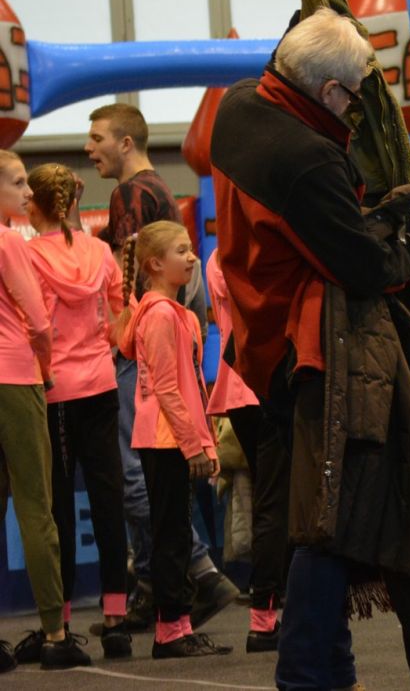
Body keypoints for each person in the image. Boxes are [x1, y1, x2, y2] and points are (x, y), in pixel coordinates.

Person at [210, 7, 410, 691]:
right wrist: (401, 243)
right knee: (331, 520)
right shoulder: (308, 160)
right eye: (354, 96)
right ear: (328, 91)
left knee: (324, 515)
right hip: (313, 354)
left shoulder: (238, 106)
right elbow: (365, 267)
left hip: (265, 345)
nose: (358, 109)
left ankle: (332, 669)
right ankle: (306, 673)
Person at [84, 103, 237, 631]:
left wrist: (122, 333)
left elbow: (131, 279)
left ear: (126, 143)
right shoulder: (160, 192)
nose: (89, 148)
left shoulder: (132, 194)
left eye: (98, 137)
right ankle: (153, 586)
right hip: (162, 341)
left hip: (142, 351)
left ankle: (197, 571)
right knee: (151, 478)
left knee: (137, 477)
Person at [18, 165, 129, 662]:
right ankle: (116, 620)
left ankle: (59, 623)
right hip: (102, 384)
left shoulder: (28, 254)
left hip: (55, 389)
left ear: (34, 205)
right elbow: (118, 316)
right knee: (108, 500)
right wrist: (100, 348)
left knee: (58, 506)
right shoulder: (100, 252)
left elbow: (31, 322)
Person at [116, 221, 231, 661]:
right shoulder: (161, 315)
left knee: (177, 534)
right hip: (165, 439)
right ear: (154, 264)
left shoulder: (174, 313)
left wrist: (205, 442)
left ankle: (178, 627)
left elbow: (190, 385)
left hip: (173, 438)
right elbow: (166, 388)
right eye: (181, 251)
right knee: (171, 536)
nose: (192, 257)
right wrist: (193, 444)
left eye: (190, 248)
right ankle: (169, 632)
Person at [0, 151, 90, 671]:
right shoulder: (10, 241)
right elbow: (37, 320)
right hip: (16, 377)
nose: (27, 192)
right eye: (17, 183)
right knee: (36, 508)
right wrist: (47, 367)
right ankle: (55, 633)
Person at [205, 246, 289, 653]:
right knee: (276, 503)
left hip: (241, 390)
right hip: (264, 386)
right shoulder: (250, 254)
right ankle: (264, 616)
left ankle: (272, 608)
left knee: (270, 500)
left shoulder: (219, 258)